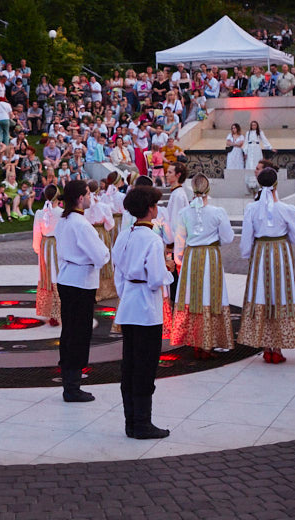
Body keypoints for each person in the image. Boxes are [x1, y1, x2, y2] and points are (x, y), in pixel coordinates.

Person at [112, 185, 173, 439]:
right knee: (146, 366)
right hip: (147, 307)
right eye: (155, 204)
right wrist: (169, 269)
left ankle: (131, 421)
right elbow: (156, 278)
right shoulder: (152, 239)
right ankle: (143, 423)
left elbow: (118, 272)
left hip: (128, 304)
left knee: (130, 364)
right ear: (150, 209)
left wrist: (126, 291)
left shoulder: (124, 235)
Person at [236, 168, 295, 362]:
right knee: (280, 293)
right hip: (280, 253)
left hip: (260, 253)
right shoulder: (286, 209)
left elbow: (246, 238)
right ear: (276, 185)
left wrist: (247, 254)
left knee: (262, 293)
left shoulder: (252, 208)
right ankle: (277, 348)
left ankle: (267, 346)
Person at [54, 179, 110, 402]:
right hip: (80, 281)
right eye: (87, 194)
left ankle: (70, 380)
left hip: (68, 277)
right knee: (79, 333)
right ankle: (73, 386)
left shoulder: (64, 220)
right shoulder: (81, 224)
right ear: (79, 198)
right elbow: (100, 255)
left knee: (69, 331)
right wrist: (104, 254)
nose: (90, 197)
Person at [170, 175, 235, 359]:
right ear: (209, 190)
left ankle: (194, 339)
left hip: (192, 257)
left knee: (193, 296)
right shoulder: (217, 212)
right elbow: (228, 237)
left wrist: (179, 259)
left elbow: (179, 241)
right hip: (210, 256)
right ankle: (208, 342)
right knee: (210, 296)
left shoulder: (184, 213)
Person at [32, 184, 62, 326]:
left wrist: (38, 249)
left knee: (46, 277)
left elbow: (36, 233)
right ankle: (57, 311)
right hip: (57, 246)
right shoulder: (62, 213)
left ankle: (48, 309)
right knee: (57, 275)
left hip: (44, 246)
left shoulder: (39, 213)